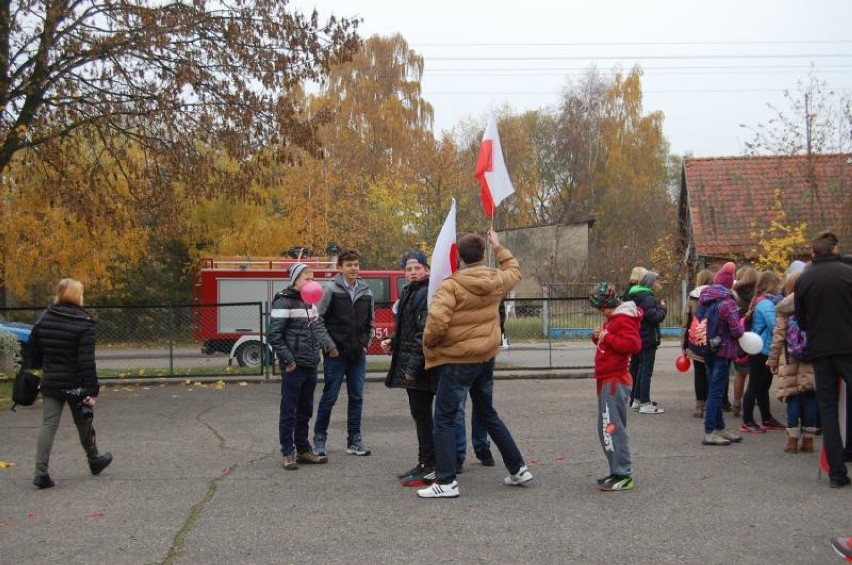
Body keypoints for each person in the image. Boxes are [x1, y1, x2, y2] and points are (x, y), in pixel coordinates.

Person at [416, 229, 532, 498]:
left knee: (444, 418)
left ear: (459, 257)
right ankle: (518, 468)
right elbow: (514, 269)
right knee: (487, 413)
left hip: (458, 360)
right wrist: (499, 246)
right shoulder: (497, 280)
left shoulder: (451, 285)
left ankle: (446, 481)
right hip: (485, 357)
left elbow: (436, 324)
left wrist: (430, 345)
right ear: (483, 254)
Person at [28, 278, 112, 489]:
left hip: (52, 381)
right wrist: (92, 390)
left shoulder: (45, 317)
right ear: (77, 295)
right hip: (76, 384)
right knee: (84, 422)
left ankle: (41, 472)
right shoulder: (84, 323)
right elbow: (86, 361)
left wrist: (47, 367)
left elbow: (33, 350)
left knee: (48, 425)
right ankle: (94, 460)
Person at [794, 231, 852, 488]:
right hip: (849, 346)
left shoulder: (804, 280)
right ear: (835, 249)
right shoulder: (847, 274)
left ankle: (836, 473)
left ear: (814, 253)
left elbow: (801, 319)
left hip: (820, 350)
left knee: (827, 410)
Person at [382, 250, 437, 486]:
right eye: (408, 269)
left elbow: (423, 335)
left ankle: (430, 465)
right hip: (411, 364)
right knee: (420, 415)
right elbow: (407, 329)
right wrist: (393, 341)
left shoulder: (425, 293)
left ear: (426, 270)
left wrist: (413, 368)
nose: (413, 272)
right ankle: (425, 461)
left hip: (422, 367)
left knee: (424, 415)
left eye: (417, 268)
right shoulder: (408, 292)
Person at [313, 248, 375, 457]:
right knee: (329, 397)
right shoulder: (330, 289)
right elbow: (317, 320)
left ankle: (354, 440)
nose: (353, 268)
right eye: (349, 265)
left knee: (356, 397)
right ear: (340, 268)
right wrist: (329, 346)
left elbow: (370, 323)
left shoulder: (367, 291)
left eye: (356, 264)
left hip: (358, 355)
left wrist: (365, 342)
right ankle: (319, 439)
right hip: (336, 356)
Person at [269, 263, 327, 470]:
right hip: (294, 366)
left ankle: (304, 449)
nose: (310, 282)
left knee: (305, 409)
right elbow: (274, 336)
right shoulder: (284, 301)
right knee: (289, 410)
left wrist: (326, 347)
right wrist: (289, 361)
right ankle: (287, 452)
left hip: (310, 363)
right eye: (306, 278)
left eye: (312, 278)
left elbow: (316, 328)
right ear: (294, 280)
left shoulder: (310, 302)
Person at [589, 283, 642, 492]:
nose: (602, 313)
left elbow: (633, 345)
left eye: (603, 309)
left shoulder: (622, 319)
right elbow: (610, 346)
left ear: (609, 304)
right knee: (606, 428)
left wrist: (607, 337)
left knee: (612, 427)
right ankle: (616, 470)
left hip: (614, 380)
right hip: (607, 378)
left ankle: (623, 473)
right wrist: (599, 337)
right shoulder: (614, 319)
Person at [767, 271, 817, 454]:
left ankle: (792, 441)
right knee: (811, 396)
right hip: (811, 357)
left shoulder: (784, 307)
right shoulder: (815, 303)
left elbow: (778, 336)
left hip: (789, 358)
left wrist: (772, 359)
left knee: (793, 396)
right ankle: (809, 441)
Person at [697, 262, 744, 446]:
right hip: (723, 351)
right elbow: (737, 332)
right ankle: (710, 432)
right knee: (716, 392)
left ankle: (720, 427)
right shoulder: (728, 302)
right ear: (730, 283)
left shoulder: (705, 297)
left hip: (707, 348)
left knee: (713, 389)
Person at [740, 270, 785, 433]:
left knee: (763, 386)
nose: (779, 287)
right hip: (761, 349)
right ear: (770, 285)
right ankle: (747, 420)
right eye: (777, 284)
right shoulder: (766, 303)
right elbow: (774, 326)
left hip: (763, 348)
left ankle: (766, 418)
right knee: (754, 385)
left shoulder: (763, 301)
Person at [626, 270, 667, 414]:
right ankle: (645, 403)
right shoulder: (648, 298)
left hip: (639, 336)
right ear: (650, 282)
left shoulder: (636, 295)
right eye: (657, 281)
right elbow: (655, 317)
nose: (659, 283)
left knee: (641, 369)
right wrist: (663, 307)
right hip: (648, 338)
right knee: (646, 372)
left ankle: (637, 399)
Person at [682, 269, 715, 418]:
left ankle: (699, 405)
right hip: (713, 338)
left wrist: (684, 344)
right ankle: (710, 403)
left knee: (699, 373)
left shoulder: (692, 296)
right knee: (712, 372)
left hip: (696, 337)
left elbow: (686, 321)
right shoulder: (717, 296)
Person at [731, 267, 759, 416]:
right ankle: (751, 402)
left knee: (739, 373)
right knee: (754, 374)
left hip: (739, 336)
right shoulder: (759, 296)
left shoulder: (734, 295)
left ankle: (736, 404)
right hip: (757, 338)